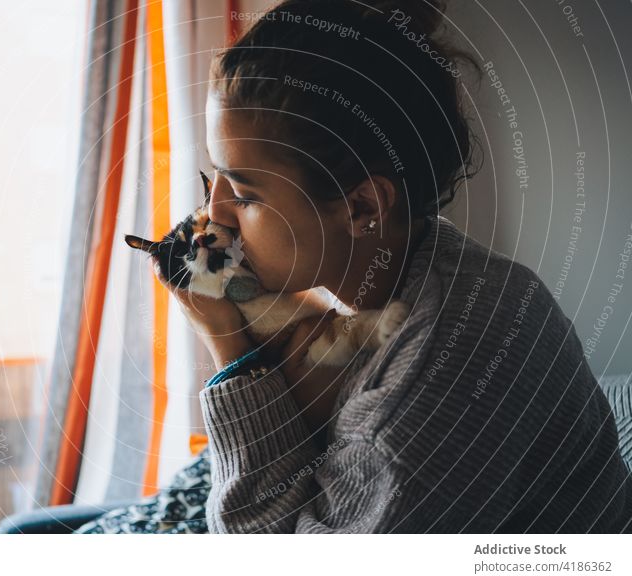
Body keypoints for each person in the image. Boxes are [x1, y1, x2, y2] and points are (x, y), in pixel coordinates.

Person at [155, 0, 632, 533]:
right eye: (212, 179)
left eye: (242, 194)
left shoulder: (446, 359)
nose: (210, 215)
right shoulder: (389, 286)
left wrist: (231, 352)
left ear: (361, 207)